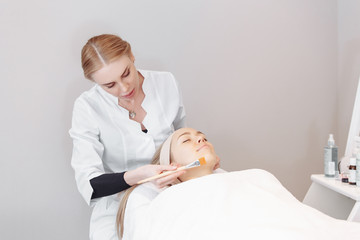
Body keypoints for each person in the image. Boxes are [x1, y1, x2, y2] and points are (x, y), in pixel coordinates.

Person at [117, 128, 360, 240]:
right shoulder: (169, 201)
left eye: (202, 136)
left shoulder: (252, 176)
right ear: (170, 165)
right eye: (187, 140)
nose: (200, 138)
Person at [69, 34, 190, 240]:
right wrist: (139, 175)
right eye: (110, 85)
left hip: (172, 191)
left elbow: (181, 138)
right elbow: (90, 183)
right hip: (118, 204)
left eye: (126, 74)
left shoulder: (165, 82)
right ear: (95, 83)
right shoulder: (87, 107)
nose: (124, 88)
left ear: (132, 56)